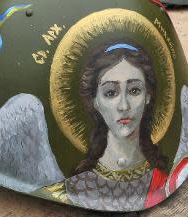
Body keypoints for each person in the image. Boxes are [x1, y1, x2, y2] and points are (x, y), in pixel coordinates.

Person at [43, 42, 169, 210]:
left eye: (134, 91)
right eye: (110, 93)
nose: (123, 106)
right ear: (95, 101)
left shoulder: (164, 179)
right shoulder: (75, 187)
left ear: (148, 96)